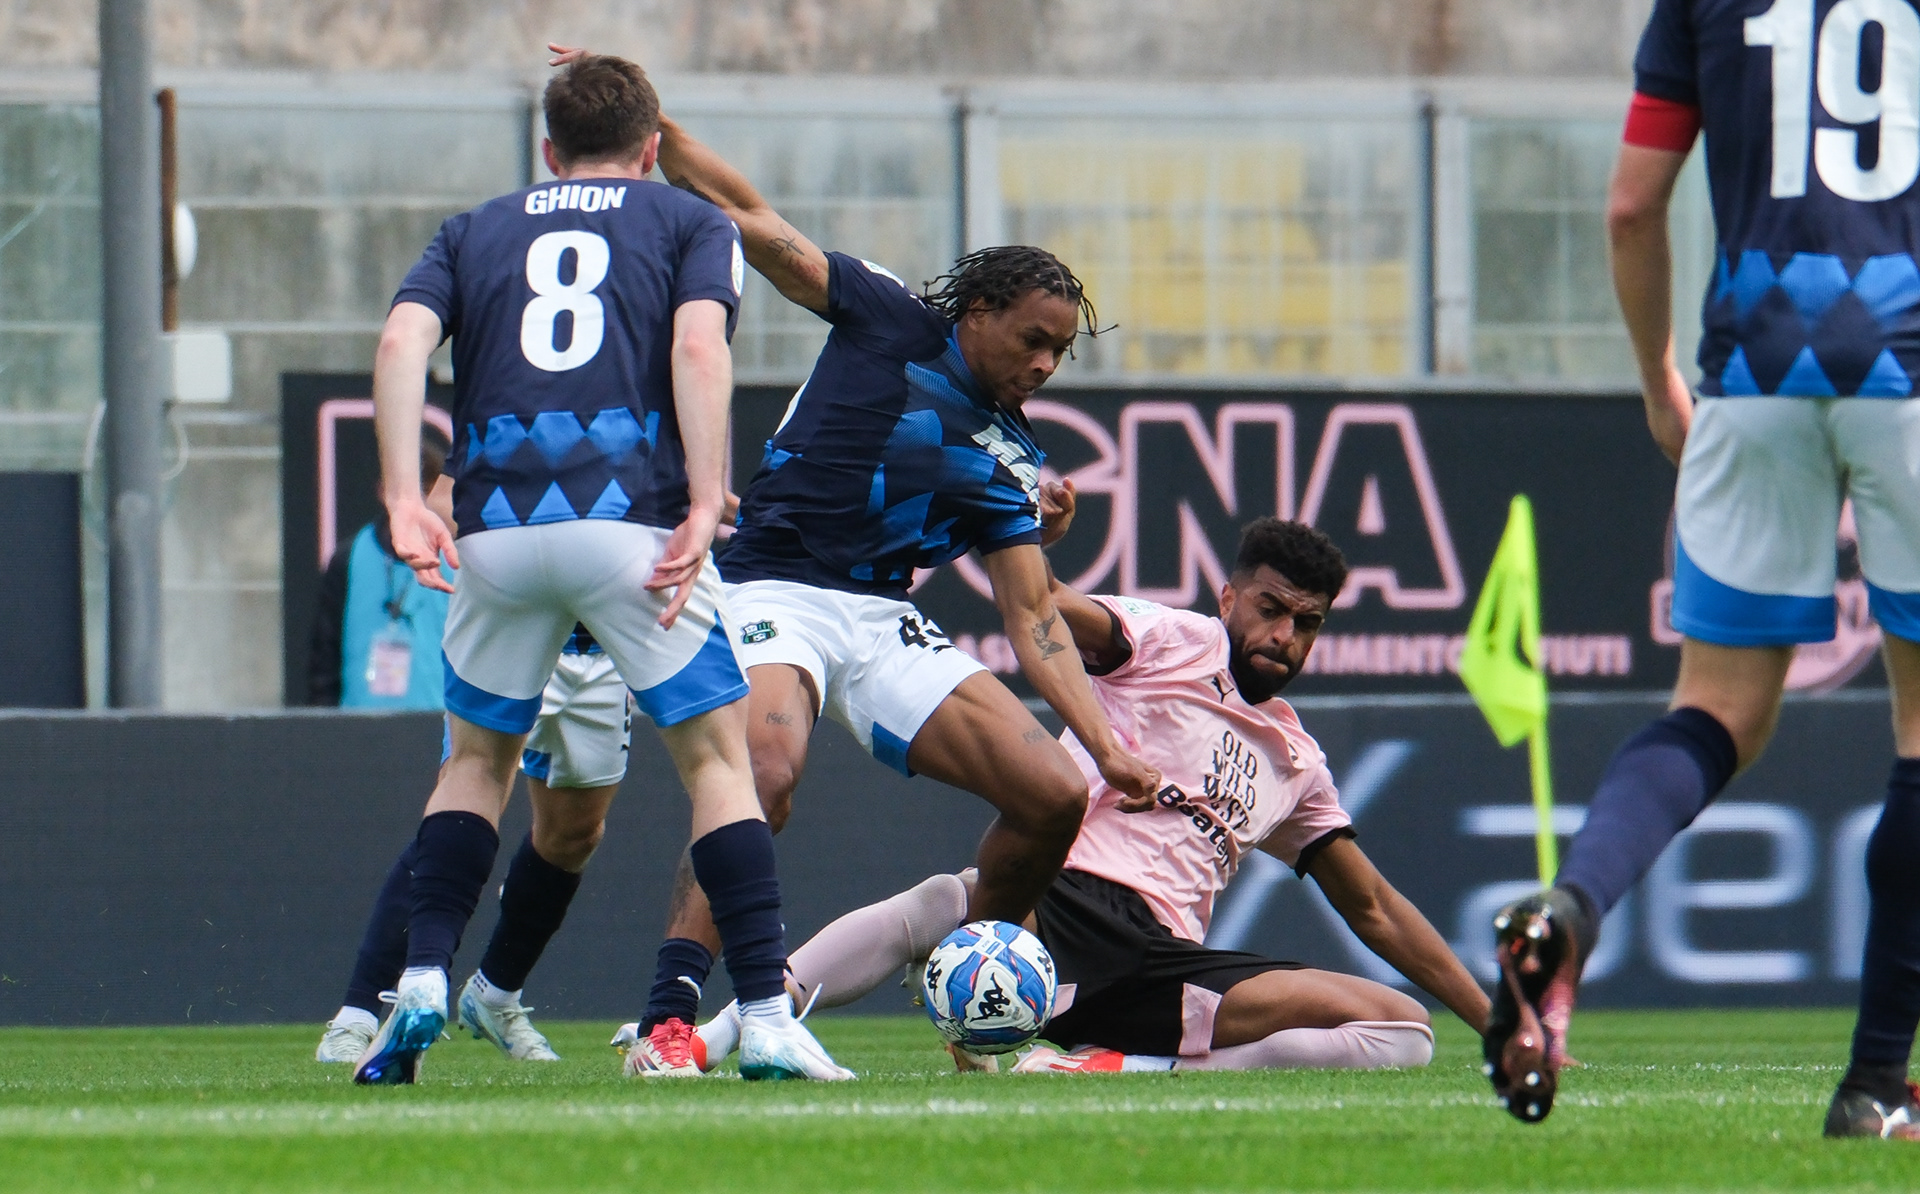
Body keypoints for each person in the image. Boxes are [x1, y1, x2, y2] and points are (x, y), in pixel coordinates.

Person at [535, 47, 1156, 1079]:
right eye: (1035, 339)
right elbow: (752, 214)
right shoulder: (883, 315)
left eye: (1062, 352)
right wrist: (655, 131)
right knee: (763, 774)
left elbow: (1034, 618)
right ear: (979, 312)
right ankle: (671, 1021)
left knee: (1052, 796)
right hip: (774, 583)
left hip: (882, 618)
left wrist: (1104, 745)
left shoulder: (1017, 459)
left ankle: (986, 1031)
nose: (1046, 364)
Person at [346, 52, 849, 1085]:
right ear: (653, 149)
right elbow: (699, 353)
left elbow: (402, 343)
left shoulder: (472, 228)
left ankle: (430, 977)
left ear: (546, 149)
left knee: (475, 768)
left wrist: (404, 495)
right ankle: (762, 1013)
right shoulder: (688, 221)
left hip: (494, 528)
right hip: (631, 524)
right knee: (716, 764)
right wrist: (707, 496)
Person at [1484, 0, 1920, 1136]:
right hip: (1911, 373)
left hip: (1752, 373)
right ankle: (1875, 1085)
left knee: (1716, 709)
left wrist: (1655, 377)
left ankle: (1574, 907)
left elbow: (1632, 204)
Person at [647, 519, 1490, 1074]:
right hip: (1054, 903)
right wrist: (1025, 532)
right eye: (1271, 609)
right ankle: (727, 1031)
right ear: (1229, 597)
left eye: (1307, 622)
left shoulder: (1296, 759)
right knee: (949, 900)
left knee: (1400, 1032)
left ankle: (1118, 1065)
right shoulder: (1169, 639)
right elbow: (1039, 602)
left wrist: (1498, 1024)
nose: (1284, 636)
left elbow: (1373, 906)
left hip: (1160, 960)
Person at [314, 624, 629, 1065]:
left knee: (576, 833)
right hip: (513, 617)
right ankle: (359, 1013)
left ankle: (495, 995)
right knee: (467, 802)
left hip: (603, 632)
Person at [305, 424, 455, 709]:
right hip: (356, 733)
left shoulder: (458, 560)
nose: (417, 502)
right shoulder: (348, 559)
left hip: (440, 731)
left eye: (426, 489)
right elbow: (324, 661)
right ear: (382, 490)